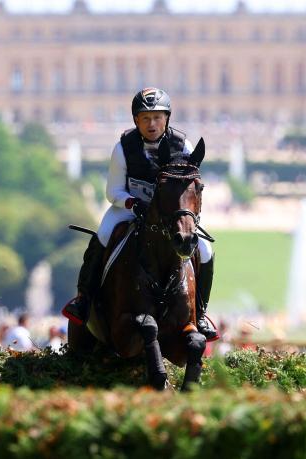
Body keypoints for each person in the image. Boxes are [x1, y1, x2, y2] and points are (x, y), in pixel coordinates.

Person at [62, 87, 217, 340]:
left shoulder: (184, 145)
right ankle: (84, 299)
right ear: (136, 120)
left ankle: (199, 313)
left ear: (167, 118)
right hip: (129, 209)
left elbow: (190, 183)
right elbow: (113, 192)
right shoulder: (123, 148)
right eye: (145, 118)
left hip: (168, 215)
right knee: (102, 235)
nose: (152, 124)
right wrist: (133, 203)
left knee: (206, 250)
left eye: (157, 117)